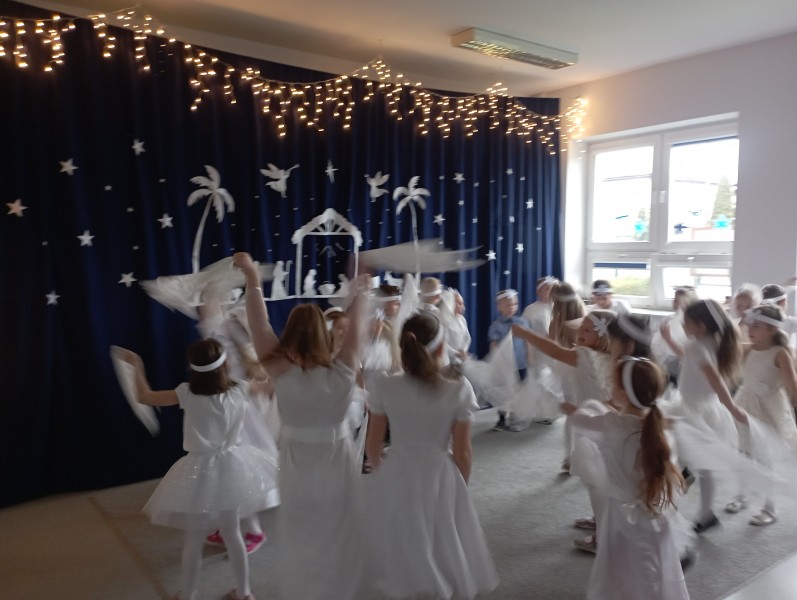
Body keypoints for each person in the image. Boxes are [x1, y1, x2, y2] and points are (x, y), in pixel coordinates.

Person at [234, 251, 370, 600]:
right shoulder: (345, 370)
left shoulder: (281, 371)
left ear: (290, 337)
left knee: (304, 529)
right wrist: (362, 290)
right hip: (337, 457)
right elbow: (357, 330)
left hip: (297, 460)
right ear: (325, 336)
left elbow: (259, 326)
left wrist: (252, 278)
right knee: (339, 527)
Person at [114, 339, 278, 600]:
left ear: (193, 368)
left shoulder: (187, 392)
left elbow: (144, 397)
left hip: (200, 468)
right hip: (233, 465)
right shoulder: (240, 388)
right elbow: (271, 385)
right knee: (233, 533)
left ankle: (189, 595)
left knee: (194, 538)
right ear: (224, 365)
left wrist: (137, 365)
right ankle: (245, 593)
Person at [364, 312, 498, 600]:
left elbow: (372, 445)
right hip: (439, 472)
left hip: (398, 469)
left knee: (404, 530)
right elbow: (463, 450)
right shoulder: (458, 388)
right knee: (440, 530)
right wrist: (461, 484)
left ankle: (411, 581)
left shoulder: (385, 385)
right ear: (441, 348)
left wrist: (381, 473)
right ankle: (437, 582)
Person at [563, 358, 692, 600]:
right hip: (656, 517)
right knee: (654, 570)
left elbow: (583, 421)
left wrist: (571, 410)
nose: (610, 387)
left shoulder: (614, 424)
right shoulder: (656, 424)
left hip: (623, 520)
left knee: (627, 571)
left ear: (623, 392)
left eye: (614, 384)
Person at [660, 299, 747, 533]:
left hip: (694, 410)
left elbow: (715, 379)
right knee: (700, 464)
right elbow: (690, 361)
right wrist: (669, 340)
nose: (683, 325)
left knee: (682, 458)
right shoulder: (710, 342)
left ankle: (691, 506)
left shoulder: (696, 346)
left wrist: (732, 407)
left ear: (700, 325)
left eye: (686, 322)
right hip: (703, 409)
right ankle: (702, 508)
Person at [512, 310, 616, 472]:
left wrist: (525, 333)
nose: (580, 331)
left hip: (595, 415)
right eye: (581, 327)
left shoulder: (586, 355)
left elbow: (556, 351)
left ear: (602, 337)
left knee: (598, 458)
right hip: (601, 413)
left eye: (587, 330)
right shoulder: (605, 357)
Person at [724, 305, 797, 525]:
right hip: (744, 406)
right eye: (749, 325)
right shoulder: (748, 349)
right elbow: (729, 343)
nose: (750, 329)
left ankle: (770, 508)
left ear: (772, 329)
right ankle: (742, 494)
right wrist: (740, 321)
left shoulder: (780, 353)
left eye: (756, 326)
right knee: (743, 453)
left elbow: (793, 386)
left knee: (765, 460)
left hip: (767, 411)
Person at [487, 289, 529, 430]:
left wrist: (530, 356)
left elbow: (528, 340)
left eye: (514, 304)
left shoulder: (522, 322)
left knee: (519, 390)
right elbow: (494, 344)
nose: (512, 307)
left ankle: (516, 417)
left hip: (520, 363)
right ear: (499, 307)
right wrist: (494, 360)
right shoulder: (497, 325)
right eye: (508, 305)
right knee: (504, 391)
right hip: (504, 365)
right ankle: (502, 418)